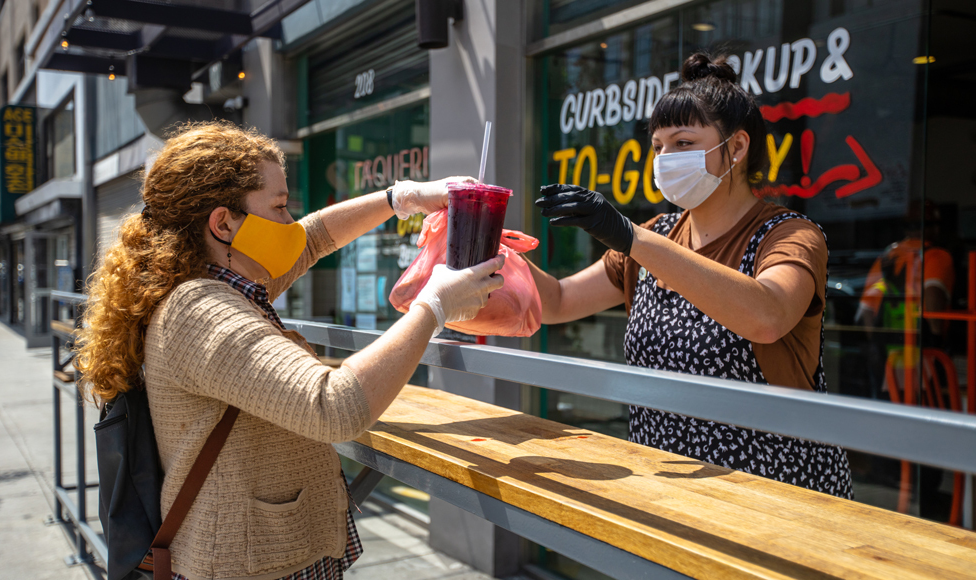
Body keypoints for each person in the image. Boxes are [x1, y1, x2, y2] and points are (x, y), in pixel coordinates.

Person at [74, 121, 504, 580]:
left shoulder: (214, 277)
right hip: (248, 567)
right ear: (223, 224)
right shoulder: (198, 310)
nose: (289, 221)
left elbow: (312, 238)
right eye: (279, 206)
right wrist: (433, 306)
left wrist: (400, 199)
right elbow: (333, 405)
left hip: (262, 556)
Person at [529, 53, 853, 499]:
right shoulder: (657, 234)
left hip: (775, 491)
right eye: (658, 147)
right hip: (667, 485)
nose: (665, 158)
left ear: (737, 147)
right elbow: (557, 301)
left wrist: (631, 237)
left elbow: (768, 316)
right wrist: (488, 241)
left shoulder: (789, 235)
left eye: (682, 142)